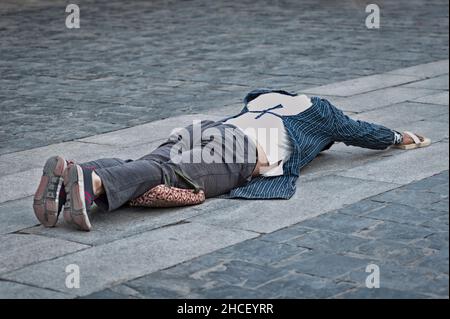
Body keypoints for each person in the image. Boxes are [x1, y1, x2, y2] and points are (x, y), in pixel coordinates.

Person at [32, 89, 431, 231]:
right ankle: (90, 186)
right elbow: (359, 130)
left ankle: (76, 175)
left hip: (205, 128)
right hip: (240, 149)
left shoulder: (261, 99)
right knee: (173, 174)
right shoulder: (321, 111)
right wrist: (400, 136)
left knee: (147, 160)